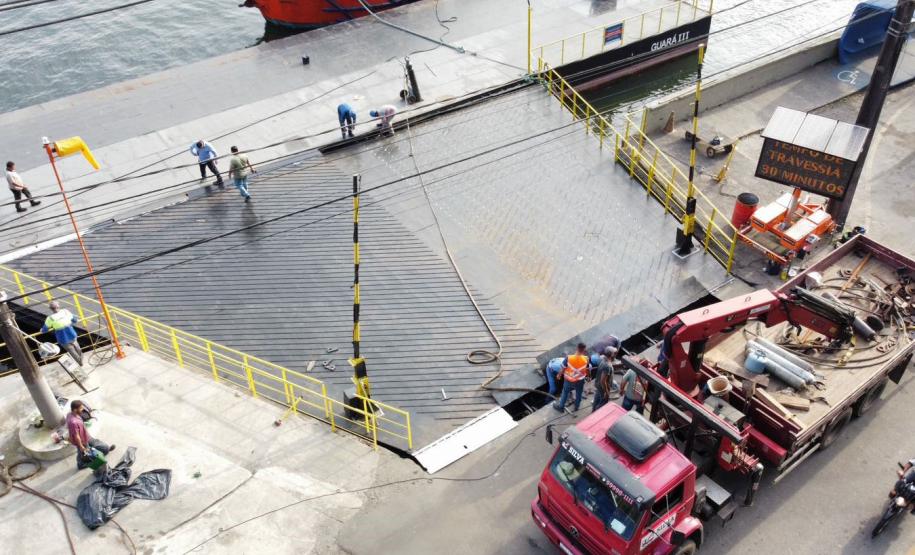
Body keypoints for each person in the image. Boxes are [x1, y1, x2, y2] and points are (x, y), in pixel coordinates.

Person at [67, 400, 115, 470]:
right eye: (80, 408)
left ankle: (104, 450)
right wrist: (81, 446)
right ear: (75, 409)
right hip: (81, 441)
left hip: (85, 436)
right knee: (82, 452)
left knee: (96, 447)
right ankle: (81, 465)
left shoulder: (70, 414)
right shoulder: (73, 422)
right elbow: (76, 436)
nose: (82, 409)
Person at [42, 301, 83, 366]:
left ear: (51, 309)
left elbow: (44, 330)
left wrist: (41, 330)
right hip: (72, 335)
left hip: (63, 339)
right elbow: (74, 320)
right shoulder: (65, 311)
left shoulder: (50, 318)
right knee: (78, 348)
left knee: (72, 352)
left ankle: (80, 363)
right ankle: (81, 359)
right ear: (58, 306)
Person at [553, 343, 590, 413]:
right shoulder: (586, 359)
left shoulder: (569, 358)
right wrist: (588, 376)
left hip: (568, 380)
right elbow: (587, 370)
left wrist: (559, 375)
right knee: (579, 393)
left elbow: (563, 368)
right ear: (584, 350)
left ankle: (561, 407)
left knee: (565, 393)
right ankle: (576, 407)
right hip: (580, 381)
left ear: (577, 348)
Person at [592, 342, 621, 413]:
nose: (616, 354)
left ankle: (593, 410)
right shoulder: (608, 366)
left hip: (598, 384)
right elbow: (603, 381)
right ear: (611, 355)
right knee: (603, 402)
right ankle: (597, 413)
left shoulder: (602, 359)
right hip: (603, 387)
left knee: (597, 398)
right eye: (615, 353)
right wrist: (606, 392)